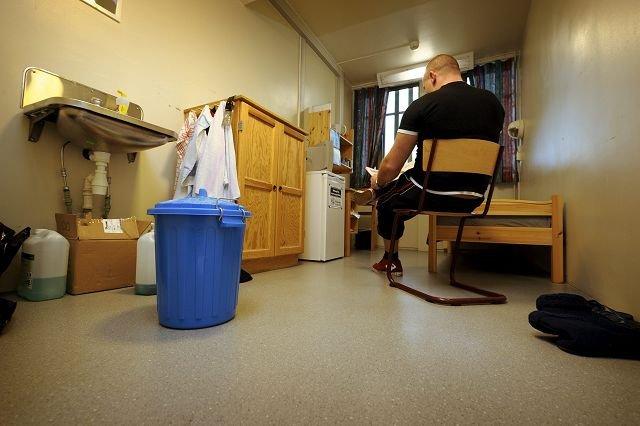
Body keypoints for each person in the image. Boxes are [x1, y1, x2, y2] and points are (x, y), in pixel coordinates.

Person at [354, 54, 505, 276]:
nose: (426, 90)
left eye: (425, 85)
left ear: (432, 76)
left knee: (385, 200)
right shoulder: (494, 104)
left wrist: (378, 180)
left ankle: (391, 260)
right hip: (474, 196)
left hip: (430, 191)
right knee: (402, 187)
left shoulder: (423, 105)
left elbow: (392, 165)